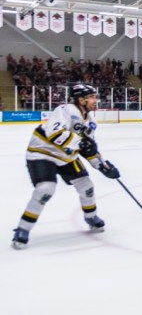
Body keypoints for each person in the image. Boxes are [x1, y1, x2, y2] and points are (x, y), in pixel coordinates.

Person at [11, 84, 120, 249]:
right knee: (45, 189)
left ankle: (91, 217)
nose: (95, 100)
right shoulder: (65, 110)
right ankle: (23, 228)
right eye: (91, 97)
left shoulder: (90, 121)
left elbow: (88, 148)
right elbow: (54, 134)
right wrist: (80, 142)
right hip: (42, 154)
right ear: (80, 100)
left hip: (66, 157)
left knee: (87, 186)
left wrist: (102, 165)